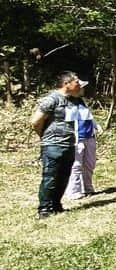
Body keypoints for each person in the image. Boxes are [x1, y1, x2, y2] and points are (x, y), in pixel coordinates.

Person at [30, 72, 85, 218]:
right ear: (67, 83)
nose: (79, 85)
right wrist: (44, 136)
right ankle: (44, 209)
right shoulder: (52, 100)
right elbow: (35, 121)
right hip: (53, 145)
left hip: (69, 144)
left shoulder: (75, 100)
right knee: (50, 177)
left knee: (64, 176)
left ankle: (56, 205)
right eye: (77, 82)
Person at [64, 86, 97, 200]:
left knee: (89, 164)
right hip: (77, 139)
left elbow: (88, 117)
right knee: (76, 165)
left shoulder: (82, 101)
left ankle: (87, 188)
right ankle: (74, 191)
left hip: (89, 137)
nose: (82, 89)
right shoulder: (66, 103)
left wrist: (96, 126)